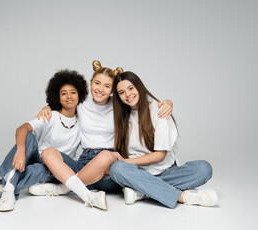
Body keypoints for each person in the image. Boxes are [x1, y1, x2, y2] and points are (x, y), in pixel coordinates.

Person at [28, 61, 174, 210]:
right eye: (97, 83)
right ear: (90, 83)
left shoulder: (119, 105)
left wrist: (167, 103)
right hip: (84, 163)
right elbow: (65, 102)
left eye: (107, 86)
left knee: (106, 155)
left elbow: (140, 103)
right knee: (48, 152)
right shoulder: (81, 102)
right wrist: (48, 107)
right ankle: (86, 192)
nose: (100, 89)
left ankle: (63, 189)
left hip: (109, 167)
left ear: (113, 90)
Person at [0, 69, 89, 212]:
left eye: (73, 92)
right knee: (29, 137)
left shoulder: (84, 121)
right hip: (40, 160)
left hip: (62, 169)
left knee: (37, 170)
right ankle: (8, 189)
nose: (69, 96)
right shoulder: (50, 116)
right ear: (57, 98)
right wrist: (21, 151)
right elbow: (22, 128)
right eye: (63, 93)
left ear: (80, 95)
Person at [103, 71, 218, 208]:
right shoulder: (121, 117)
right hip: (137, 173)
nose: (128, 95)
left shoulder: (159, 110)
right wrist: (124, 164)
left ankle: (142, 191)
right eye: (121, 92)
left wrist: (126, 161)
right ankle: (182, 197)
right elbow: (99, 96)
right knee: (117, 169)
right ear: (118, 97)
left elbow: (160, 155)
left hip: (166, 171)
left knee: (203, 168)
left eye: (131, 88)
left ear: (139, 87)